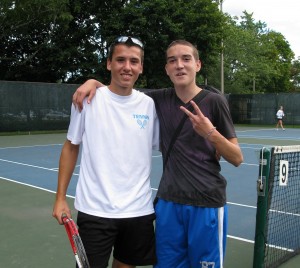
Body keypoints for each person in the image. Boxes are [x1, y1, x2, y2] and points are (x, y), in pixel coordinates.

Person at [73, 40, 244, 268]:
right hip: (168, 204)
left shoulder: (214, 102)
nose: (179, 65)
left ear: (198, 65)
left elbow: (236, 157)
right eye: (172, 60)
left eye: (186, 59)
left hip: (207, 202)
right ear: (166, 69)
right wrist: (93, 82)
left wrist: (211, 133)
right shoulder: (157, 100)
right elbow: (121, 90)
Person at [52, 36, 160, 268]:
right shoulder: (86, 100)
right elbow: (71, 146)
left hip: (138, 210)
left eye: (134, 61)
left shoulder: (148, 105)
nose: (127, 67)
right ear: (109, 63)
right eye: (120, 60)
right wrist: (60, 198)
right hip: (95, 211)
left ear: (141, 67)